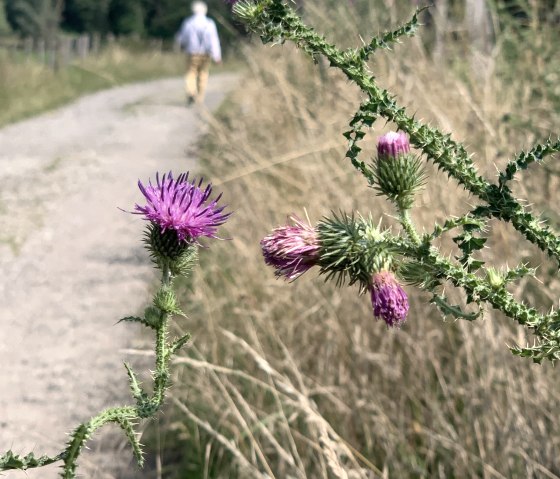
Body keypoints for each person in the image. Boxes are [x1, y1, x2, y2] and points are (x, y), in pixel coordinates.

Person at [176, 1, 222, 105]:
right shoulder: (210, 23)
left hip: (192, 53)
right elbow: (214, 41)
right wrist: (217, 56)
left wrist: (182, 46)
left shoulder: (188, 22)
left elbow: (182, 38)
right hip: (206, 53)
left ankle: (191, 92)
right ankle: (200, 97)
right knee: (203, 74)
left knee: (190, 73)